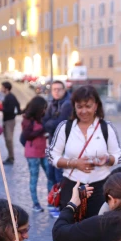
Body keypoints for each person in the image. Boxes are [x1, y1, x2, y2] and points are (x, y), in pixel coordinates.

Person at [47, 85, 121, 241]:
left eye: (88, 106)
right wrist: (74, 163)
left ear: (96, 105)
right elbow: (52, 155)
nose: (83, 111)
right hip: (72, 186)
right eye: (79, 106)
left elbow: (119, 155)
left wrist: (107, 160)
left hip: (101, 188)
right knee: (70, 238)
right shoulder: (65, 127)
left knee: (101, 235)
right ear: (74, 106)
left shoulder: (105, 128)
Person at [42, 80, 72, 217]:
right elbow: (45, 121)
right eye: (54, 89)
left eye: (59, 89)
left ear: (64, 90)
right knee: (52, 175)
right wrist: (50, 123)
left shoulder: (67, 104)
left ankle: (61, 206)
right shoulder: (53, 103)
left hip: (63, 146)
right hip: (53, 145)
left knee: (60, 177)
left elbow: (60, 124)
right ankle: (54, 203)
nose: (56, 91)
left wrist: (50, 123)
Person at [22, 95, 52, 212]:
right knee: (34, 178)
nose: (45, 110)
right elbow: (27, 135)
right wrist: (41, 131)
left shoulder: (42, 118)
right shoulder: (27, 120)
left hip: (43, 152)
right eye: (43, 108)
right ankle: (35, 203)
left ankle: (51, 202)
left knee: (50, 176)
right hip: (32, 154)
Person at [1, 81, 21, 164]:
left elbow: (12, 108)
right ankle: (10, 156)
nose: (1, 89)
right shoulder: (7, 96)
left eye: (2, 87)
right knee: (7, 139)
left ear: (6, 88)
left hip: (9, 120)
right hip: (7, 120)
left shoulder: (10, 97)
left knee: (9, 139)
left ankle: (11, 158)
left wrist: (1, 108)